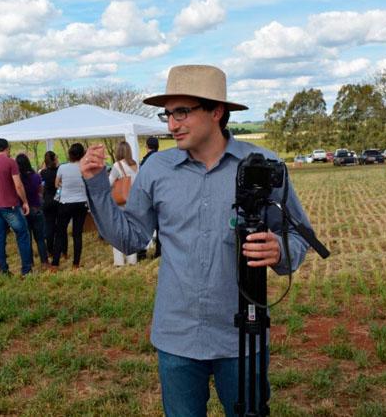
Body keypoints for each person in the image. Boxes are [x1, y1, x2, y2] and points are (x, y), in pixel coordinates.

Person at [79, 65, 312, 417]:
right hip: (177, 336)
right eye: (168, 114)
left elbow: (298, 235)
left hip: (242, 338)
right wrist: (97, 186)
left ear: (217, 111)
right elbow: (131, 239)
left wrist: (280, 250)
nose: (172, 125)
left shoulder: (263, 166)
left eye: (183, 112)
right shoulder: (156, 169)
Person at [0, 138, 33, 276]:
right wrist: (25, 201)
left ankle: (3, 269)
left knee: (0, 237)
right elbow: (18, 185)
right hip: (10, 205)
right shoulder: (11, 162)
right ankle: (26, 269)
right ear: (7, 148)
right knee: (22, 234)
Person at [51, 143, 88, 270]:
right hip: (81, 203)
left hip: (65, 203)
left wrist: (65, 185)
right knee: (77, 234)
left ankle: (55, 264)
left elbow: (56, 184)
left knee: (60, 233)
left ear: (70, 154)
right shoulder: (85, 168)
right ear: (82, 154)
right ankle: (76, 264)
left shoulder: (62, 168)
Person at [108, 141, 139, 266]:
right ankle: (132, 259)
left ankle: (119, 261)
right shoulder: (135, 165)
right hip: (135, 201)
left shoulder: (117, 165)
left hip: (121, 202)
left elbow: (109, 183)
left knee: (118, 231)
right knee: (132, 231)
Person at [16, 153, 49, 266]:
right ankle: (44, 262)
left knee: (27, 239)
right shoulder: (36, 176)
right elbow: (40, 191)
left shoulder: (18, 179)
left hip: (23, 210)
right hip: (36, 208)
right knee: (40, 238)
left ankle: (29, 263)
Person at [138, 135, 161, 259]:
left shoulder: (145, 161)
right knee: (160, 226)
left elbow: (143, 180)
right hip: (161, 195)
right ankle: (159, 251)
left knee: (145, 225)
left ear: (147, 147)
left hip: (149, 196)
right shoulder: (163, 160)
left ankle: (142, 253)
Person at [40, 151, 61, 258]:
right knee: (60, 226)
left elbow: (42, 170)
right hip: (58, 200)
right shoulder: (59, 171)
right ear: (55, 159)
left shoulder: (44, 173)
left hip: (47, 201)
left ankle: (50, 250)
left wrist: (46, 164)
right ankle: (62, 249)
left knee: (49, 226)